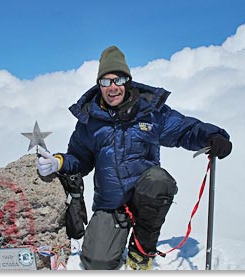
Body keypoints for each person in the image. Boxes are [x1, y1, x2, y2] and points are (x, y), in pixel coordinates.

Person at [37, 45, 232, 270]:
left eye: (118, 80)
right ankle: (116, 231)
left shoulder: (149, 112)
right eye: (105, 81)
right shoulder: (90, 121)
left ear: (127, 81)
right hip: (111, 204)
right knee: (97, 262)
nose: (112, 88)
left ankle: (141, 251)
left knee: (159, 180)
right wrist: (59, 162)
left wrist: (213, 136)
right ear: (98, 85)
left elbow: (184, 130)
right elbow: (80, 159)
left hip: (145, 197)